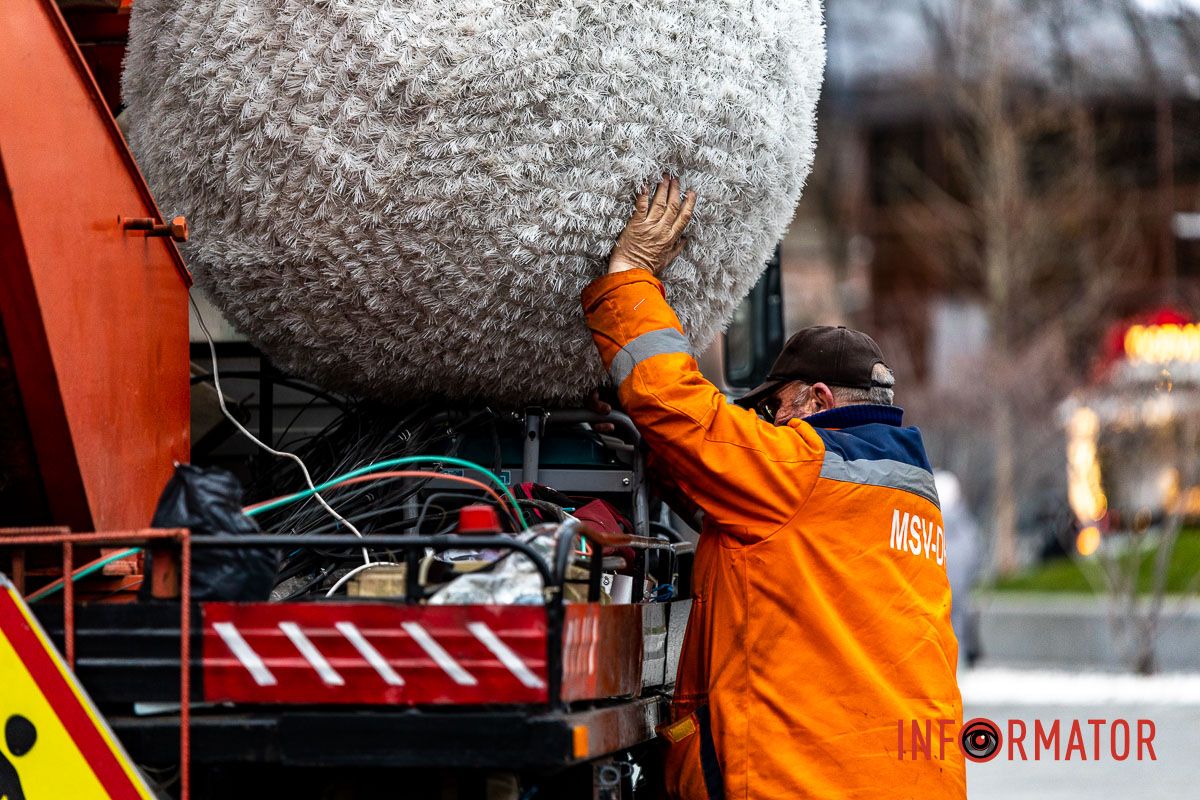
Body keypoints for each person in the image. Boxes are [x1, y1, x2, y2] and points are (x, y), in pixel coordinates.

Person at [582, 177, 966, 799]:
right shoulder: (904, 489)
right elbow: (753, 521)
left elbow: (677, 404)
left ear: (817, 400)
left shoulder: (803, 468)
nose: (764, 424)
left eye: (774, 407)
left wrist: (631, 273)